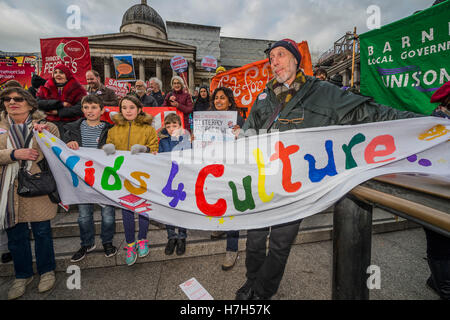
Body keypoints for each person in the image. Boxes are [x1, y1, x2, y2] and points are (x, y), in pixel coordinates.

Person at [236, 38, 421, 300]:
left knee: (279, 245)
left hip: (295, 188)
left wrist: (423, 122)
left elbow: (370, 113)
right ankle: (250, 281)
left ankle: (262, 293)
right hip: (262, 183)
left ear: (295, 59)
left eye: (280, 55)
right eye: (271, 58)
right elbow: (248, 133)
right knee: (254, 242)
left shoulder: (322, 91)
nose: (274, 61)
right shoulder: (264, 97)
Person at [0, 87, 59, 300]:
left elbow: (56, 151)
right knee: (16, 236)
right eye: (7, 99)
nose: (11, 102)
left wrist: (43, 133)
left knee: (42, 232)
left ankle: (46, 271)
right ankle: (22, 275)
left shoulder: (46, 126)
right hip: (7, 189)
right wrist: (13, 153)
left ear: (30, 104)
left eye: (17, 99)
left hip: (36, 186)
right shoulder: (0, 126)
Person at [103, 95, 159, 266]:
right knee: (127, 210)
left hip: (142, 175)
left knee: (142, 208)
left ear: (139, 109)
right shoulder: (113, 130)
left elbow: (155, 148)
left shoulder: (148, 129)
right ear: (120, 110)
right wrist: (108, 149)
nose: (128, 111)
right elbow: (107, 148)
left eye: (131, 107)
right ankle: (130, 244)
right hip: (123, 176)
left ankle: (142, 238)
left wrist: (145, 149)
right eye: (124, 107)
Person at [62, 95, 117, 262]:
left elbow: (115, 149)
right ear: (82, 109)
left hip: (103, 177)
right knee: (84, 215)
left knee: (108, 214)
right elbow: (61, 143)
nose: (90, 111)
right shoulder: (71, 128)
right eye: (86, 107)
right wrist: (68, 142)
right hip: (81, 178)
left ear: (101, 110)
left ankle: (107, 241)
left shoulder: (110, 129)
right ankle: (87, 243)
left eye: (94, 107)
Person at [206, 86, 244, 270]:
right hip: (213, 166)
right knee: (216, 199)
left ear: (230, 101)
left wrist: (241, 133)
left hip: (232, 167)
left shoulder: (238, 119)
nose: (218, 101)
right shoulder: (206, 118)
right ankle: (220, 228)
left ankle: (232, 248)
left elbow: (248, 141)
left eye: (222, 98)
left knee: (232, 204)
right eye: (216, 98)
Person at [424, 81, 450, 300]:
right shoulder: (433, 125)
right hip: (434, 191)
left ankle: (438, 280)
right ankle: (445, 288)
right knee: (440, 240)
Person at [158, 113, 192, 256]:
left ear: (180, 126)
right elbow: (159, 159)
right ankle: (171, 237)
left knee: (182, 208)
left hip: (182, 179)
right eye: (168, 126)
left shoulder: (186, 140)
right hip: (167, 179)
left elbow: (191, 157)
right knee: (169, 209)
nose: (172, 129)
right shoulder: (163, 141)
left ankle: (182, 236)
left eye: (175, 125)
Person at [36, 63, 87, 136]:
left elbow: (80, 108)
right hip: (50, 125)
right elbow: (38, 103)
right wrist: (60, 104)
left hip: (71, 126)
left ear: (67, 75)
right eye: (55, 72)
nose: (58, 75)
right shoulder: (47, 87)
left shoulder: (78, 89)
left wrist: (58, 112)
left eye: (61, 73)